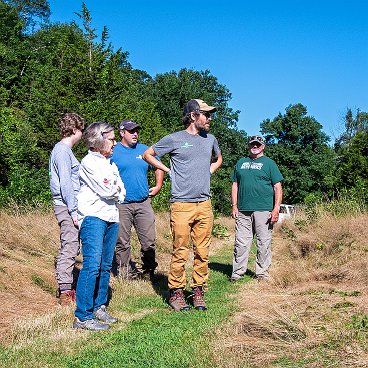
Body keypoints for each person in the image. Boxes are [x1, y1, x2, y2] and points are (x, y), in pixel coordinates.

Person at [143, 99, 222, 311]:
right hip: (181, 204)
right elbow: (147, 154)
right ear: (193, 116)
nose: (209, 118)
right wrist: (167, 171)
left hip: (204, 204)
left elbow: (218, 158)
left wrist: (209, 171)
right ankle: (176, 292)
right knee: (180, 250)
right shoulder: (174, 139)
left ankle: (198, 291)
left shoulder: (210, 139)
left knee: (203, 251)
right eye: (205, 114)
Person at [73, 122, 126, 331]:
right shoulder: (88, 162)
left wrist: (114, 188)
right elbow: (107, 191)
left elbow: (121, 192)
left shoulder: (110, 163)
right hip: (93, 217)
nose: (115, 143)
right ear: (99, 140)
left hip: (112, 217)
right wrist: (114, 188)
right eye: (112, 139)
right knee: (92, 265)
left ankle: (99, 306)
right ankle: (82, 317)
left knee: (105, 266)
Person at [111, 120, 164, 281]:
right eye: (131, 131)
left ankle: (148, 271)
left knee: (149, 240)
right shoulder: (114, 151)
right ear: (122, 133)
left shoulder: (144, 150)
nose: (135, 134)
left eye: (136, 131)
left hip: (143, 202)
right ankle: (124, 273)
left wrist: (158, 185)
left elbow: (158, 167)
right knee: (122, 241)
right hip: (121, 204)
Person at [230, 135, 283, 282]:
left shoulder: (269, 163)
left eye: (258, 144)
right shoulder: (241, 162)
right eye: (252, 144)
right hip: (243, 209)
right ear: (249, 145)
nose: (255, 146)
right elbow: (235, 185)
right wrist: (234, 206)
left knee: (263, 242)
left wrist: (276, 209)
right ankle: (237, 273)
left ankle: (262, 273)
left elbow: (277, 187)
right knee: (241, 242)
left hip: (263, 209)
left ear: (263, 146)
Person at [49, 112, 85, 305]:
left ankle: (67, 287)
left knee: (71, 245)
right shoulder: (62, 151)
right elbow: (65, 184)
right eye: (81, 130)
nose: (82, 134)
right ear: (73, 130)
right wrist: (73, 211)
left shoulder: (64, 151)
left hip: (68, 205)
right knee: (70, 246)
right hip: (66, 206)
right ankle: (65, 291)